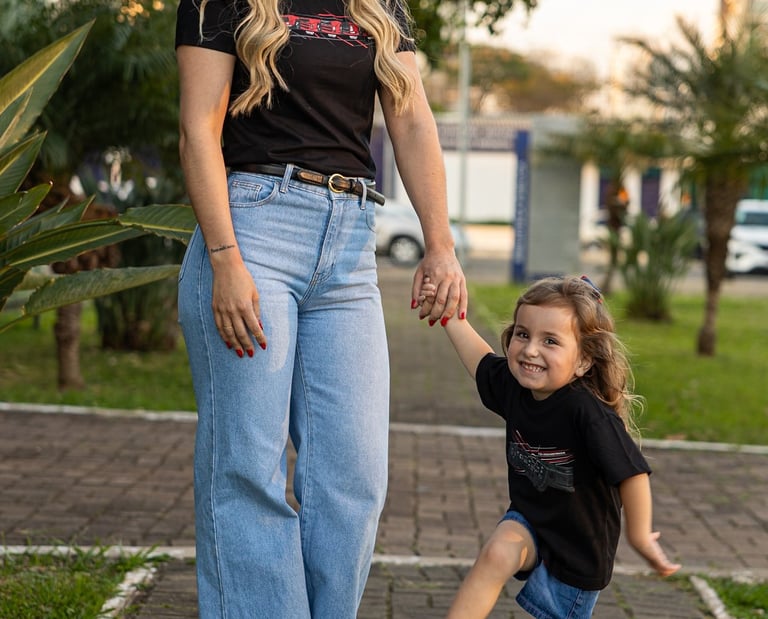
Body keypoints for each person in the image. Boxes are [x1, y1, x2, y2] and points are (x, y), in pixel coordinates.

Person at [174, 0, 467, 616]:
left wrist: (439, 242)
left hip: (352, 243)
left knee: (353, 478)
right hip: (254, 231)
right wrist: (225, 258)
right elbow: (198, 127)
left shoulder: (379, 6)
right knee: (248, 468)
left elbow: (411, 120)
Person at [416, 275, 680, 619]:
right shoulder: (515, 387)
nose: (530, 350)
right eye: (522, 334)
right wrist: (448, 311)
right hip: (530, 519)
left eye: (550, 341)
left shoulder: (588, 414)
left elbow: (632, 474)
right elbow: (479, 359)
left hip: (579, 550)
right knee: (497, 553)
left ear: (584, 360)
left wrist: (641, 536)